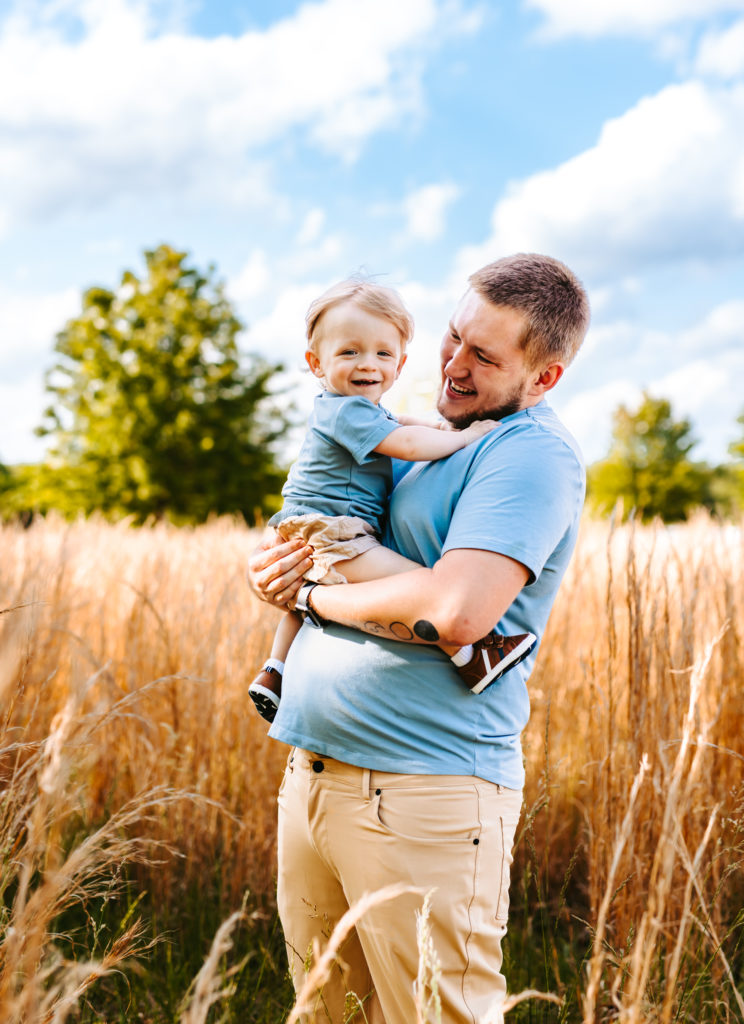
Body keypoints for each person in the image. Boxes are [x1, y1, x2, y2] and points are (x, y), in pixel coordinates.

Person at [247, 253, 590, 1024]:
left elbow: (455, 612)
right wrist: (279, 576)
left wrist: (312, 596)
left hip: (422, 792)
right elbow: (343, 540)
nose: (454, 365)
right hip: (317, 776)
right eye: (453, 337)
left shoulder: (526, 452)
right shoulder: (434, 433)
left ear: (544, 379)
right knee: (325, 1012)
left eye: (485, 356)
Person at [248, 278, 535, 724]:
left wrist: (441, 428)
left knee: (308, 597)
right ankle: (473, 656)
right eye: (349, 352)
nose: (368, 364)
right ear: (315, 363)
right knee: (424, 587)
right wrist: (466, 437)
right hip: (333, 530)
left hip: (318, 526)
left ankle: (274, 670)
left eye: (383, 353)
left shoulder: (360, 411)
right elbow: (406, 442)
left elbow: (404, 422)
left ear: (400, 364)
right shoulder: (345, 410)